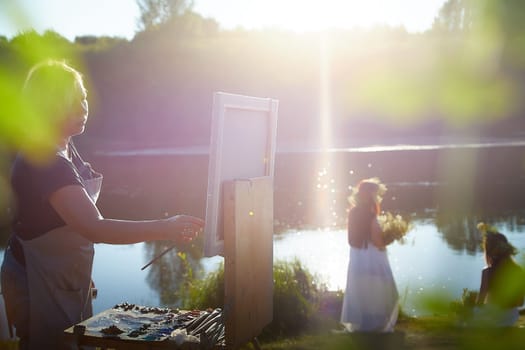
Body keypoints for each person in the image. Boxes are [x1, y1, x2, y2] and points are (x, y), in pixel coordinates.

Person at [0, 59, 204, 349]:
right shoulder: (45, 160)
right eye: (71, 102)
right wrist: (166, 227)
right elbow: (94, 227)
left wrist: (78, 268)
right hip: (37, 278)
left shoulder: (64, 145)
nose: (82, 108)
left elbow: (63, 222)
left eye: (83, 99)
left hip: (64, 272)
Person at [340, 177, 399, 332]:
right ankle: (376, 323)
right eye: (374, 193)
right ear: (369, 194)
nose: (376, 196)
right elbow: (378, 242)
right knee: (379, 288)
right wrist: (390, 239)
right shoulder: (370, 215)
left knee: (361, 289)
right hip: (371, 256)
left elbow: (351, 239)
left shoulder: (352, 212)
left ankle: (362, 322)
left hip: (357, 257)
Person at [472, 223, 525, 327]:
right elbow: (520, 303)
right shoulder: (519, 271)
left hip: (493, 317)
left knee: (471, 314)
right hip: (511, 318)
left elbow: (480, 303)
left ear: (489, 252)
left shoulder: (487, 272)